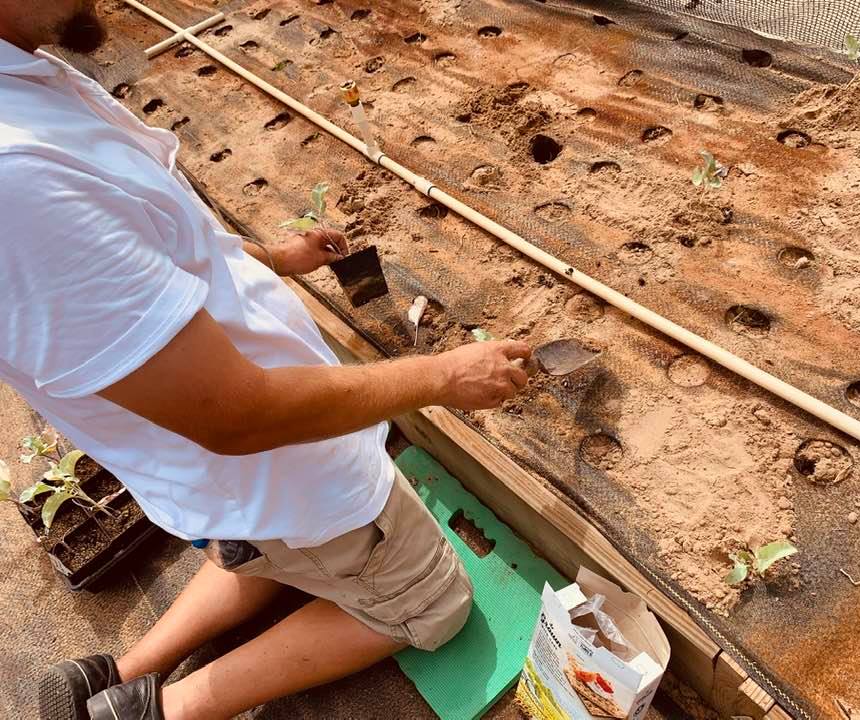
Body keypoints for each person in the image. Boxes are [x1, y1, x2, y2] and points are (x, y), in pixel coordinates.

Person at [0, 2, 531, 719]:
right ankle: (165, 710)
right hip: (274, 464)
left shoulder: (23, 83)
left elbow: (158, 259)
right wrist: (441, 377)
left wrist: (272, 258)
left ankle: (114, 673)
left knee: (267, 548)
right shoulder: (19, 180)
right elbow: (235, 416)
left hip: (232, 496)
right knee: (432, 603)